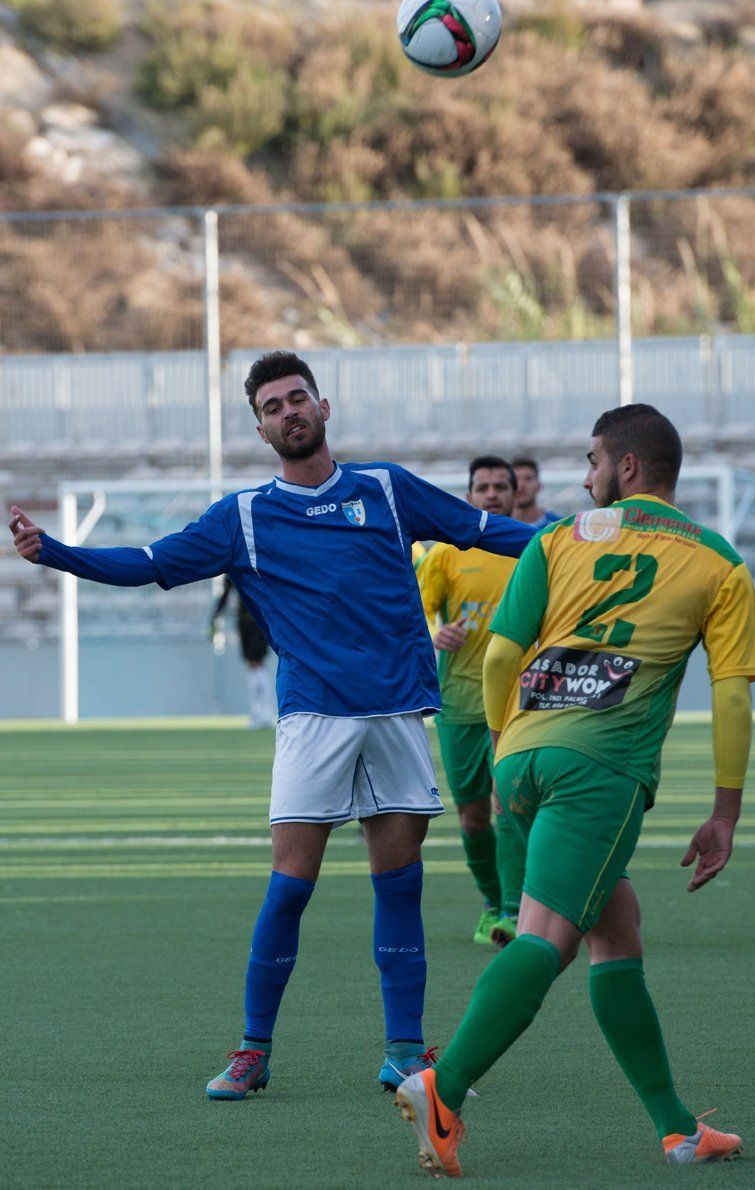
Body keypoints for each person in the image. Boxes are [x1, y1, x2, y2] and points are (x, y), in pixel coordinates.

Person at [8, 349, 535, 1101]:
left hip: (393, 714)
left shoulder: (386, 488)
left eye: (298, 398)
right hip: (314, 720)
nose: (289, 412)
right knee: (289, 888)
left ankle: (405, 1053)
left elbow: (485, 530)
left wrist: (579, 539)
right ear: (260, 429)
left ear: (324, 408)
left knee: (401, 886)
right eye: (273, 407)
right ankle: (253, 1051)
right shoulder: (245, 516)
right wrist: (52, 551)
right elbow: (150, 562)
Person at [393, 403, 755, 1176]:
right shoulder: (717, 562)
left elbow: (502, 658)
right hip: (600, 770)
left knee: (617, 930)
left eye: (592, 459)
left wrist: (507, 753)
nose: (583, 474)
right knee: (546, 940)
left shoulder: (557, 537)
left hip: (528, 756)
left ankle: (678, 1127)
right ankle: (445, 1087)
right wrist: (725, 812)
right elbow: (733, 696)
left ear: (628, 467)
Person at [417, 456, 526, 948]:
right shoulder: (444, 555)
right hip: (460, 703)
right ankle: (491, 899)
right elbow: (416, 617)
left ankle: (513, 909)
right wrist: (440, 632)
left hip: (520, 705)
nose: (491, 495)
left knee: (511, 806)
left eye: (499, 486)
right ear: (469, 496)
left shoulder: (535, 550)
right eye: (481, 487)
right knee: (473, 817)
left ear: (515, 492)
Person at [210, 575, 275, 729]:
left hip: (260, 622)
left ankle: (266, 712)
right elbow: (225, 594)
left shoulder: (260, 563)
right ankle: (258, 712)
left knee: (257, 663)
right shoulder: (233, 566)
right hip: (243, 622)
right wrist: (215, 617)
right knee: (252, 664)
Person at [511, 456, 560, 529]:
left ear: (539, 486)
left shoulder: (558, 526)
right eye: (516, 479)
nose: (521, 484)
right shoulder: (499, 528)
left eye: (528, 478)